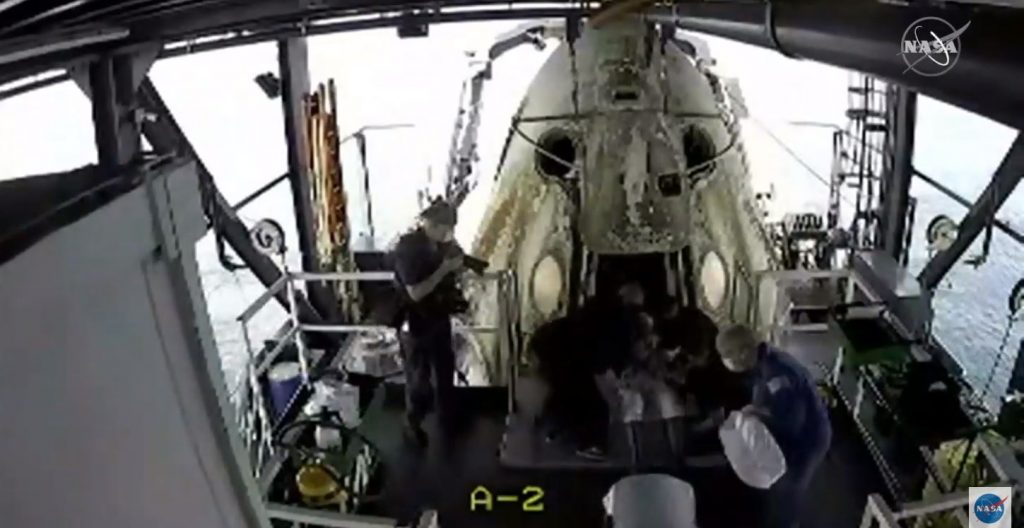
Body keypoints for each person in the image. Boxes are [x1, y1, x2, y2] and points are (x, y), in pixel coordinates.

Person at [715, 324, 832, 528]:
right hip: (794, 435)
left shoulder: (778, 375)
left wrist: (757, 413)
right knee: (780, 485)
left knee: (788, 490)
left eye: (727, 356)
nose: (725, 362)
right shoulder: (763, 362)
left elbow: (791, 420)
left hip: (807, 440)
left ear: (743, 353)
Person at [391, 199, 464, 447]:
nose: (448, 234)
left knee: (445, 369)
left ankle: (448, 417)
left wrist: (458, 263)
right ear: (430, 224)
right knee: (418, 379)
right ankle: (412, 424)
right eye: (444, 229)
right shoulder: (407, 249)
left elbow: (452, 262)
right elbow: (415, 292)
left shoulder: (439, 244)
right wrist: (445, 269)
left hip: (437, 317)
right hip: (415, 323)